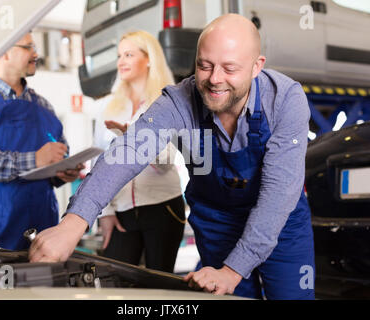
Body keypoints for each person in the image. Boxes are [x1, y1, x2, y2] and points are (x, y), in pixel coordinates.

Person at [28, 14, 315, 300]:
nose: (215, 79)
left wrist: (232, 270)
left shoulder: (285, 100)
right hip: (217, 221)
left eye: (229, 68)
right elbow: (127, 153)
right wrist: (72, 224)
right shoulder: (179, 101)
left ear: (257, 67)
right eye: (204, 65)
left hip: (282, 223)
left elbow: (278, 195)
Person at [0, 33, 83, 250]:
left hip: (43, 230)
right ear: (4, 51)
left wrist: (63, 172)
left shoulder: (44, 106)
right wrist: (35, 159)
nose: (36, 54)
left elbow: (60, 153)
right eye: (28, 47)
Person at [89, 31, 186, 273]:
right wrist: (105, 211)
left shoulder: (166, 102)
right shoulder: (108, 105)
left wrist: (132, 138)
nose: (121, 61)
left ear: (149, 59)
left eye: (129, 54)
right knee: (115, 280)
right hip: (121, 210)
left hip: (162, 207)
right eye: (119, 56)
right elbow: (97, 162)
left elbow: (165, 163)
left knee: (160, 284)